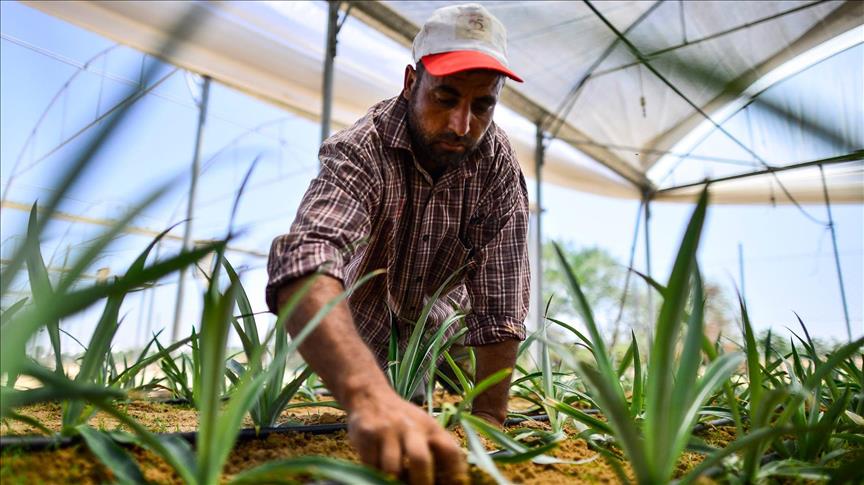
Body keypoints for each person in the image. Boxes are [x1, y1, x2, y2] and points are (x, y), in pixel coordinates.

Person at [266, 4, 529, 484]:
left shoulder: (496, 166)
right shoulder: (361, 150)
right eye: (445, 97)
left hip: (444, 353)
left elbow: (500, 299)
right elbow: (307, 260)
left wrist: (489, 422)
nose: (461, 124)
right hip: (355, 358)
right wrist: (367, 397)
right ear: (411, 82)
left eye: (483, 105)